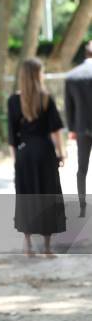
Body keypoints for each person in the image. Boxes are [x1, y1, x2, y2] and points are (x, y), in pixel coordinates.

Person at [8, 58, 66, 258]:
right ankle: (48, 247)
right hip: (45, 152)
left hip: (24, 154)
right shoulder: (46, 98)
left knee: (26, 196)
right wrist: (61, 152)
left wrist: (16, 160)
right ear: (35, 75)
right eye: (42, 72)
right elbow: (55, 130)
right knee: (47, 195)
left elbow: (11, 137)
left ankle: (28, 244)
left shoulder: (13, 101)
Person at [65, 41, 92, 217]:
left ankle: (82, 207)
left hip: (82, 127)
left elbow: (69, 106)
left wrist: (71, 128)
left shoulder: (72, 76)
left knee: (82, 168)